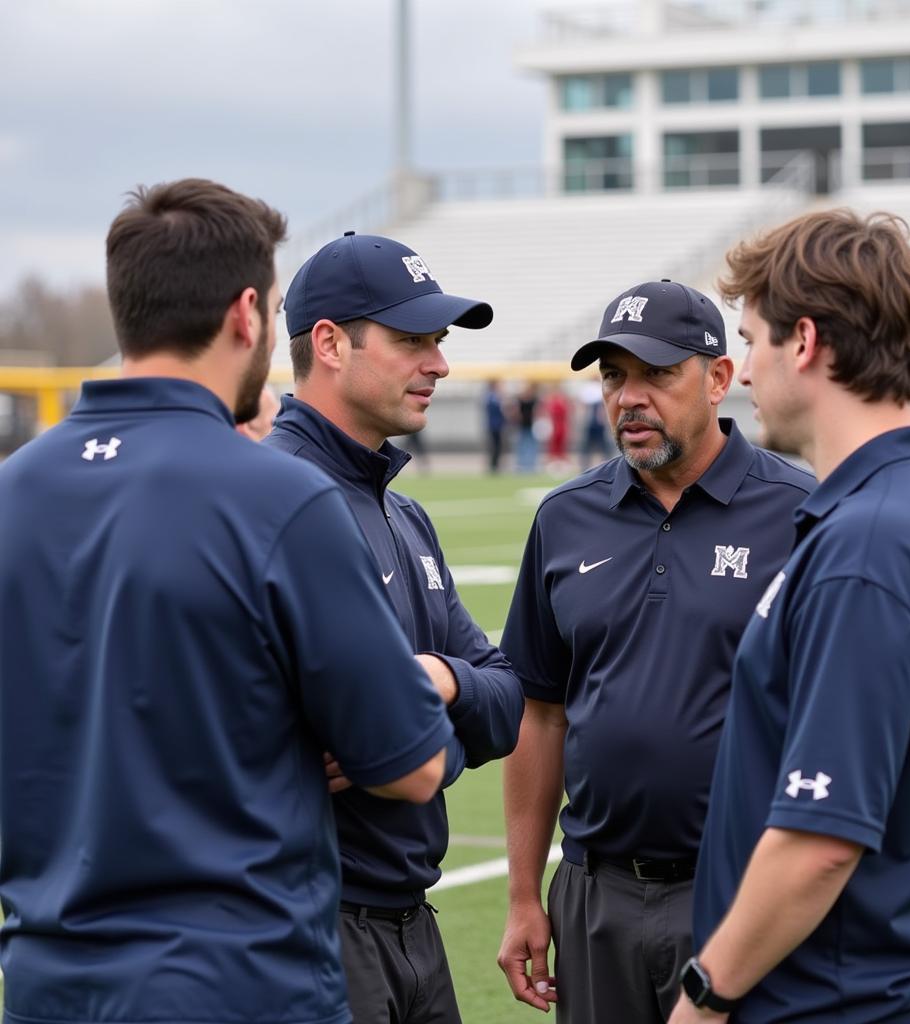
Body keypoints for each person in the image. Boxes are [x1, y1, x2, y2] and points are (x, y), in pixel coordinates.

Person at [0, 180, 453, 1024]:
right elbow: (414, 764)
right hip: (237, 983)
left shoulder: (13, 493)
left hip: (45, 984)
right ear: (248, 314)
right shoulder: (277, 498)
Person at [669, 210, 910, 1024]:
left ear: (806, 341)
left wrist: (704, 995)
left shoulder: (870, 542)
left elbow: (820, 842)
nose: (743, 373)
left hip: (844, 1000)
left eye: (751, 341)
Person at [497, 279, 814, 1024]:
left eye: (657, 373)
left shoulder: (799, 514)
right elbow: (539, 713)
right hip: (593, 892)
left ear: (718, 379)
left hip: (736, 887)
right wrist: (520, 897)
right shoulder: (565, 517)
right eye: (613, 375)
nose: (628, 397)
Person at [266, 231, 524, 1024]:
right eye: (412, 340)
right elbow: (389, 752)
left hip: (412, 928)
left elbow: (509, 697)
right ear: (331, 344)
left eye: (439, 341)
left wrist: (441, 681)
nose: (439, 363)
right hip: (311, 928)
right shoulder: (272, 501)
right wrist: (412, 728)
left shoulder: (401, 512)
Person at [484, 378, 506, 473]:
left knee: (498, 446)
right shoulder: (491, 397)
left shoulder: (493, 396)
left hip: (497, 424)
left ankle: (495, 464)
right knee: (495, 446)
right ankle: (493, 465)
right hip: (494, 425)